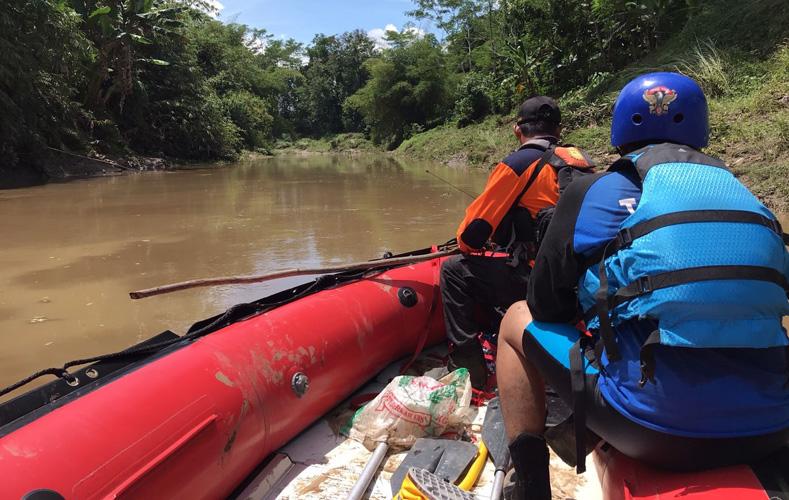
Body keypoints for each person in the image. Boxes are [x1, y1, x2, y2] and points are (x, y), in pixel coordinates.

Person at [496, 72, 789, 499]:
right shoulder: (748, 199)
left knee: (516, 317)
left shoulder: (590, 191)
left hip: (653, 429)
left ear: (620, 130)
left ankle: (529, 488)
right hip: (775, 425)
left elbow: (546, 307)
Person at [440, 96, 595, 390]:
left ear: (517, 130)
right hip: (582, 282)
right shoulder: (583, 162)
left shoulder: (518, 164)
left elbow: (470, 238)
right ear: (558, 130)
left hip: (540, 281)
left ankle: (469, 367)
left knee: (453, 271)